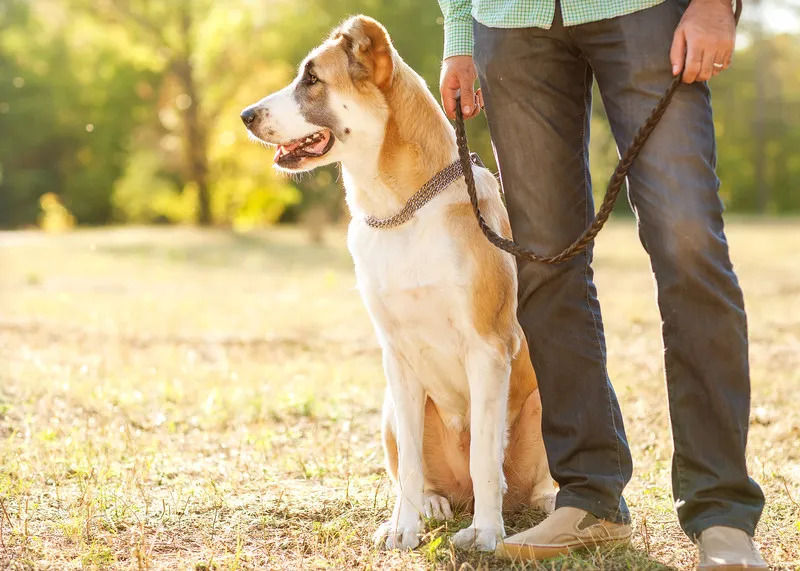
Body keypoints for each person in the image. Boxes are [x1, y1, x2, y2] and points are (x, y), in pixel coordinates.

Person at [437, 0, 766, 567]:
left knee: (690, 247)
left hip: (644, 11)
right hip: (511, 22)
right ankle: (590, 495)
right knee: (544, 262)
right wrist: (459, 29)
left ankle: (721, 511)